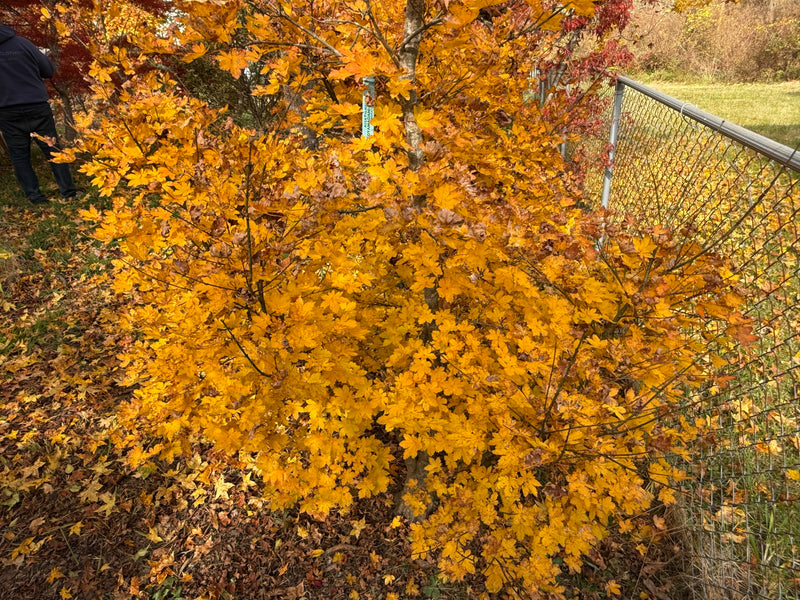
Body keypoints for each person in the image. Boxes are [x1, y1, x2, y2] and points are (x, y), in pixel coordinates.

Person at [0, 24, 78, 205]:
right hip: (36, 105)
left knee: (19, 156)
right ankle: (69, 193)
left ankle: (35, 198)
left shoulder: (21, 43)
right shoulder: (22, 44)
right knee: (53, 149)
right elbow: (48, 70)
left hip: (6, 110)